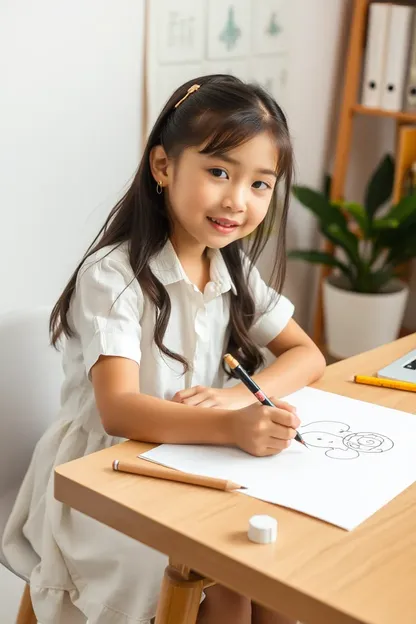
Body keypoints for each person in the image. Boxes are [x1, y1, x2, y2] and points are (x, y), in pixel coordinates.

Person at [3, 74, 326, 624]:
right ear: (163, 167)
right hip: (104, 477)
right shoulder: (114, 276)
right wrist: (230, 427)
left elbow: (309, 356)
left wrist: (232, 403)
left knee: (273, 572)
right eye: (219, 172)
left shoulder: (230, 264)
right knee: (225, 577)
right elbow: (119, 410)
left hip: (187, 457)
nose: (236, 200)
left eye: (259, 184)